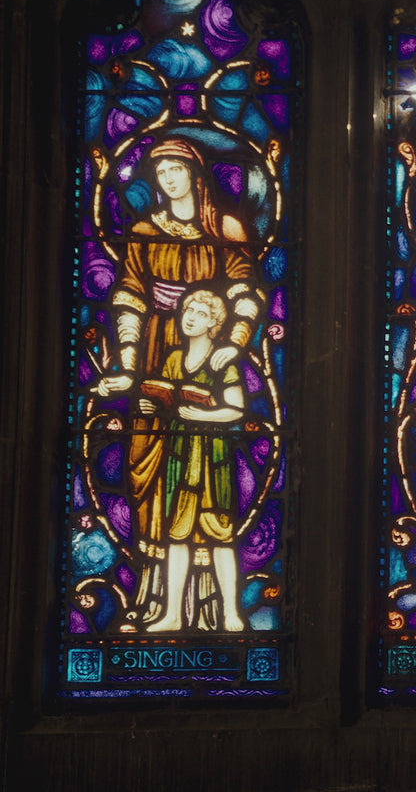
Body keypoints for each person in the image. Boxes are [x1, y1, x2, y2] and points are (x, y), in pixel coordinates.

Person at [94, 137, 262, 625]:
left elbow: (245, 289)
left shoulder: (226, 228)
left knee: (207, 475)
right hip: (157, 352)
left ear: (195, 174)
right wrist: (129, 364)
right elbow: (130, 296)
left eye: (176, 170)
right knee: (150, 466)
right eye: (160, 172)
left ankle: (211, 605)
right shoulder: (146, 231)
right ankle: (158, 597)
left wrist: (235, 341)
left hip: (210, 345)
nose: (168, 179)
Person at [138, 290, 246, 632]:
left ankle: (231, 613)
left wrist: (205, 415)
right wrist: (153, 406)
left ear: (214, 323)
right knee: (177, 534)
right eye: (188, 311)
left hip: (213, 456)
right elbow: (167, 398)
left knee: (220, 534)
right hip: (179, 453)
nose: (190, 318)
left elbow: (236, 409)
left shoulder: (221, 360)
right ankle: (172, 614)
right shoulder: (173, 358)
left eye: (200, 314)